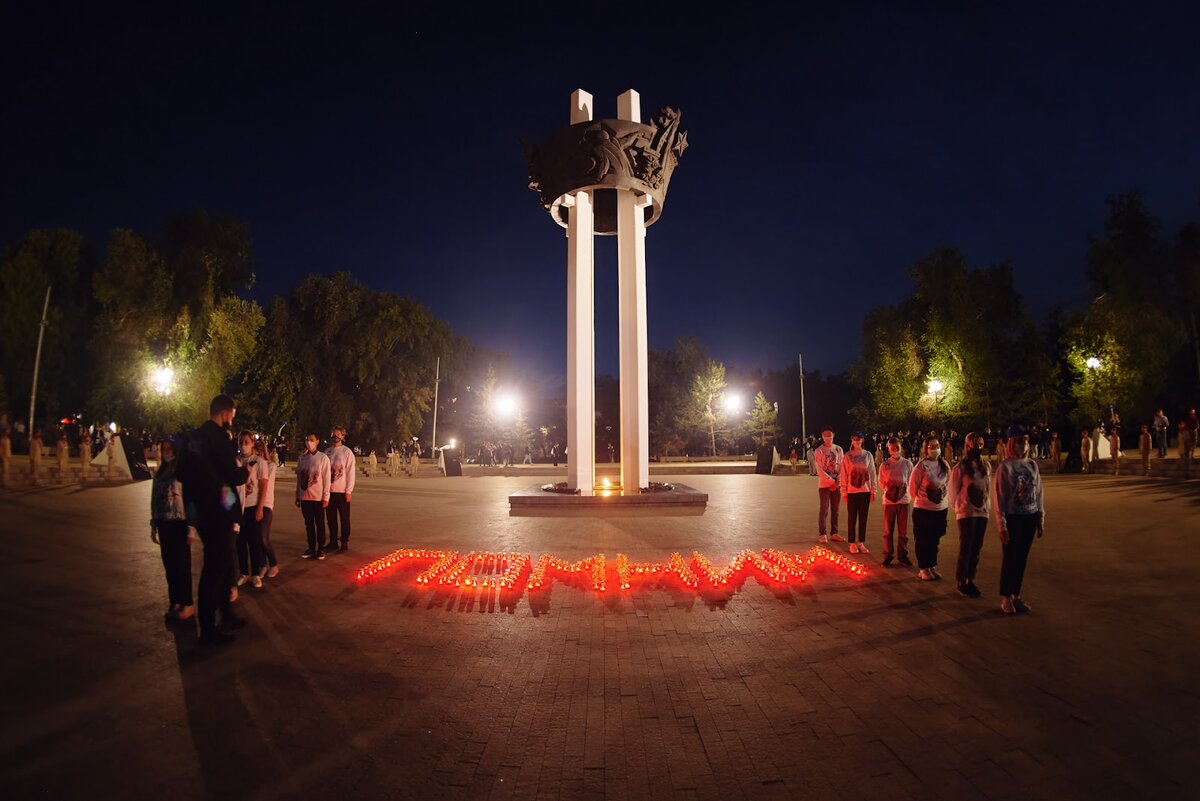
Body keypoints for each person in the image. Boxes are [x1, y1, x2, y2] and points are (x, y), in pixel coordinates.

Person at [178, 395, 249, 647]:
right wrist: (244, 472)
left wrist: (192, 514)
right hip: (220, 510)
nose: (232, 420)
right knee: (215, 569)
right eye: (232, 415)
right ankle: (208, 627)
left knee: (225, 562)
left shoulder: (192, 439)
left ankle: (226, 614)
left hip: (201, 511)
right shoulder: (219, 438)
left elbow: (181, 473)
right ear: (225, 413)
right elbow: (231, 476)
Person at [994, 427, 1045, 614]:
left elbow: (1039, 492)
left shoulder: (1032, 464)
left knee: (1022, 558)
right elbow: (1000, 497)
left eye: (1025, 441)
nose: (1022, 445)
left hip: (1029, 516)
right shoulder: (1005, 467)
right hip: (1013, 517)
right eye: (1018, 442)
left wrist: (1040, 517)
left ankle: (1016, 594)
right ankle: (1006, 597)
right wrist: (1002, 524)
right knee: (1010, 558)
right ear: (1011, 444)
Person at [151, 436, 194, 622]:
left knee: (182, 565)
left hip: (179, 522)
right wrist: (153, 524)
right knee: (170, 566)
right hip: (163, 522)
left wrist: (191, 526)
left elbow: (190, 498)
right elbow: (154, 499)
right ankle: (175, 601)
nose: (167, 451)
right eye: (164, 448)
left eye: (169, 448)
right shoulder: (160, 472)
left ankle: (187, 603)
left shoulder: (182, 471)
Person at [949, 432, 990, 598]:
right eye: (973, 445)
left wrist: (986, 507)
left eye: (979, 444)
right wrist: (960, 507)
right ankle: (961, 580)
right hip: (966, 512)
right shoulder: (960, 468)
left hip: (982, 512)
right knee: (966, 548)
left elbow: (987, 488)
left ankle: (971, 579)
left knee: (976, 549)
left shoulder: (986, 467)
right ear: (967, 446)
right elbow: (952, 493)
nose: (976, 448)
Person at [908, 435, 950, 581]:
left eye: (937, 446)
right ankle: (923, 568)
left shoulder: (944, 463)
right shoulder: (921, 466)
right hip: (924, 509)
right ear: (925, 449)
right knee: (923, 540)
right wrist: (922, 501)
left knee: (934, 539)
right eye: (931, 447)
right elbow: (912, 489)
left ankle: (932, 565)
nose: (935, 449)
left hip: (940, 509)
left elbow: (947, 483)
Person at [235, 432, 270, 587]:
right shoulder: (235, 461)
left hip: (253, 506)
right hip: (238, 509)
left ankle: (255, 573)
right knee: (240, 543)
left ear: (252, 443)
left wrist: (260, 507)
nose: (243, 444)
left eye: (246, 441)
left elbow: (264, 487)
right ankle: (244, 572)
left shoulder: (259, 462)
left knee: (254, 542)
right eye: (241, 441)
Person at [877, 437, 913, 567]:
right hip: (889, 503)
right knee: (888, 531)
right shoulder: (885, 465)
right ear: (889, 449)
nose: (895, 450)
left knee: (903, 532)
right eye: (892, 448)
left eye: (897, 447)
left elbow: (911, 481)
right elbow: (881, 484)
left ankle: (903, 555)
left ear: (900, 447)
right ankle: (888, 555)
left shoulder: (907, 464)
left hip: (904, 501)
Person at [295, 432, 331, 559]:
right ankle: (311, 547)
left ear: (317, 441)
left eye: (311, 440)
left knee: (319, 523)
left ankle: (320, 548)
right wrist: (298, 495)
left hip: (318, 498)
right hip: (305, 497)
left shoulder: (323, 458)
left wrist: (326, 497)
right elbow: (299, 478)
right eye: (307, 440)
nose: (308, 442)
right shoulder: (302, 458)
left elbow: (327, 479)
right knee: (308, 524)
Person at [840, 432, 876, 554]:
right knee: (852, 518)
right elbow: (844, 474)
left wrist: (873, 490)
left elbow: (872, 473)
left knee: (863, 518)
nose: (856, 441)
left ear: (862, 440)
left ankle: (861, 542)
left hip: (865, 491)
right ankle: (852, 543)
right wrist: (844, 491)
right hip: (852, 491)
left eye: (859, 439)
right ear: (851, 440)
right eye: (854, 439)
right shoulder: (847, 456)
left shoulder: (868, 455)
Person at [325, 426, 355, 553]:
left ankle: (344, 541)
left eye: (338, 434)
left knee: (344, 518)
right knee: (331, 518)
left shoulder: (347, 452)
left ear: (343, 436)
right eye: (334, 434)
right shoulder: (327, 452)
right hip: (329, 491)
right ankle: (333, 541)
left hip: (342, 491)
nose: (336, 436)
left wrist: (349, 490)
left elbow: (350, 472)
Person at [812, 427, 844, 544]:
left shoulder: (839, 450)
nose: (828, 437)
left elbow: (842, 467)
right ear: (822, 436)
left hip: (837, 485)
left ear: (833, 435)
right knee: (824, 509)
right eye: (825, 435)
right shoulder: (818, 451)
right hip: (824, 485)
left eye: (829, 435)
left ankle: (834, 533)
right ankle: (822, 533)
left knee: (835, 509)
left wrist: (837, 482)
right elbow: (819, 470)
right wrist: (831, 481)